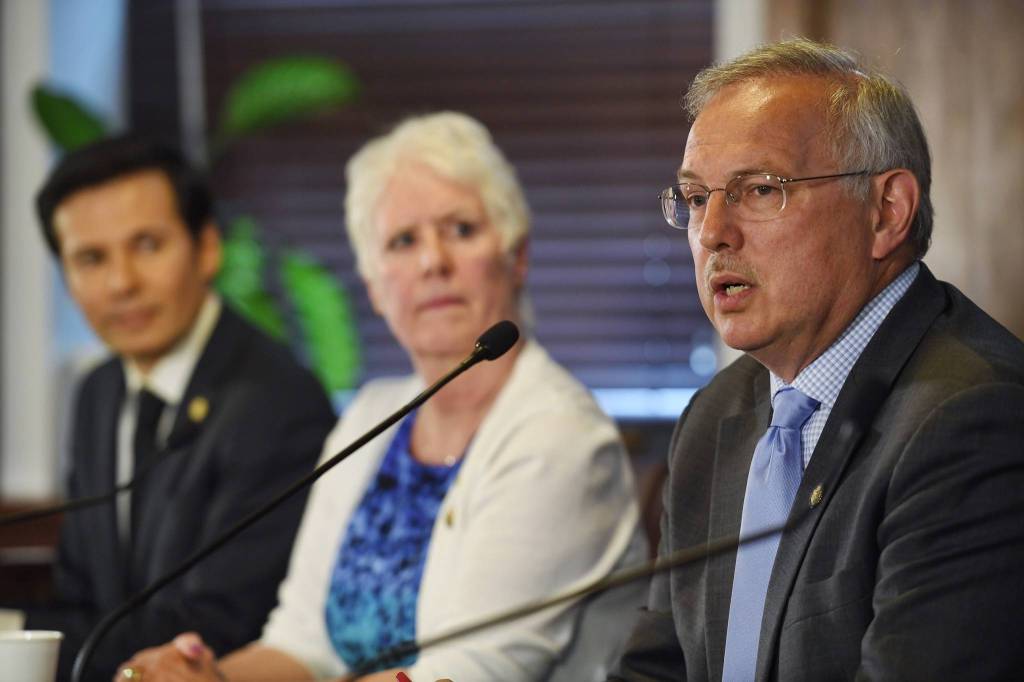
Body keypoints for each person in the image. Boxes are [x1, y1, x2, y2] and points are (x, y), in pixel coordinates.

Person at [117, 111, 647, 682]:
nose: (432, 262)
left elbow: (470, 671)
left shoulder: (559, 436)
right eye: (402, 241)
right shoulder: (371, 417)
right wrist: (210, 679)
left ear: (516, 256)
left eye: (462, 230)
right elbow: (303, 644)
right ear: (374, 286)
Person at [609, 38, 1024, 681]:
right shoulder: (716, 418)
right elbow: (656, 670)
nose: (713, 231)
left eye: (759, 190)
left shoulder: (971, 417)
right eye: (696, 198)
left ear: (887, 211)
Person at [20, 135, 336, 680]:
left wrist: (15, 634)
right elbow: (81, 597)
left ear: (207, 247)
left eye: (147, 245)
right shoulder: (98, 393)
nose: (121, 283)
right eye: (90, 258)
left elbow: (221, 625)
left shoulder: (278, 400)